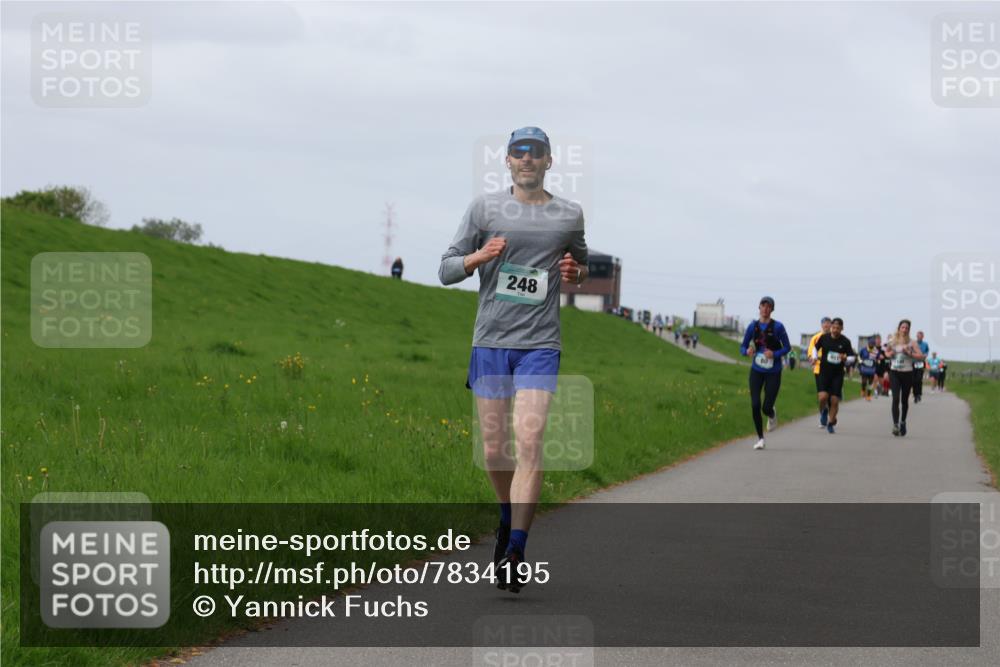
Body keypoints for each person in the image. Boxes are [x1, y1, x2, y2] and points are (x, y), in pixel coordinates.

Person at [438, 126, 588, 594]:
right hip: (490, 343)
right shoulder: (484, 209)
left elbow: (580, 265)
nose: (527, 158)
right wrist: (479, 256)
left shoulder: (569, 214)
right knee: (493, 450)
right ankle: (506, 518)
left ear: (548, 161)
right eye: (519, 151)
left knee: (530, 440)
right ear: (507, 160)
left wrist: (575, 272)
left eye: (535, 152)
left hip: (540, 345)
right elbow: (445, 269)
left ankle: (517, 549)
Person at [739, 297, 791, 450]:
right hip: (756, 370)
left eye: (769, 306)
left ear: (772, 310)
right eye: (763, 305)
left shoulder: (778, 327)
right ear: (759, 307)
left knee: (766, 407)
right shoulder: (752, 327)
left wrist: (774, 354)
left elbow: (787, 347)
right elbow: (742, 347)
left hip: (773, 371)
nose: (765, 309)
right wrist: (747, 351)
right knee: (755, 404)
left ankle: (771, 413)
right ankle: (760, 438)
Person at [812, 317, 855, 434]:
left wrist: (845, 358)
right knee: (822, 397)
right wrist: (814, 358)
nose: (835, 330)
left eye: (838, 328)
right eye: (834, 327)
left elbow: (852, 357)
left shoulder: (845, 341)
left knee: (834, 400)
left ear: (842, 328)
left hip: (837, 375)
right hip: (824, 373)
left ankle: (831, 423)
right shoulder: (824, 338)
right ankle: (823, 412)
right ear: (831, 327)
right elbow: (815, 348)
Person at [886, 319, 925, 436]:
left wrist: (909, 353)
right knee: (895, 398)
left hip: (907, 373)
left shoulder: (912, 343)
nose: (904, 330)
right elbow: (886, 353)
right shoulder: (892, 341)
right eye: (903, 327)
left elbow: (921, 356)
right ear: (899, 328)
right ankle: (895, 425)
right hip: (894, 372)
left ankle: (903, 421)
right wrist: (890, 354)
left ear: (909, 330)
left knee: (904, 400)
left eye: (907, 328)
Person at [807, 317, 833, 427]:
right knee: (822, 395)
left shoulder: (835, 337)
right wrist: (811, 358)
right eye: (824, 323)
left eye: (828, 323)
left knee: (830, 395)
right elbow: (811, 351)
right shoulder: (816, 337)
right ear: (821, 325)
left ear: (831, 325)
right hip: (819, 368)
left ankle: (829, 412)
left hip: (832, 369)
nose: (826, 325)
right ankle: (823, 412)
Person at [913, 330, 929, 402]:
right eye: (918, 336)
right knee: (913, 380)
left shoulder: (925, 344)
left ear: (922, 337)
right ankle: (915, 394)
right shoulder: (913, 343)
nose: (918, 337)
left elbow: (926, 352)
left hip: (921, 363)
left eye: (920, 336)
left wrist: (925, 355)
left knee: (919, 379)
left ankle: (919, 394)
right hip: (913, 362)